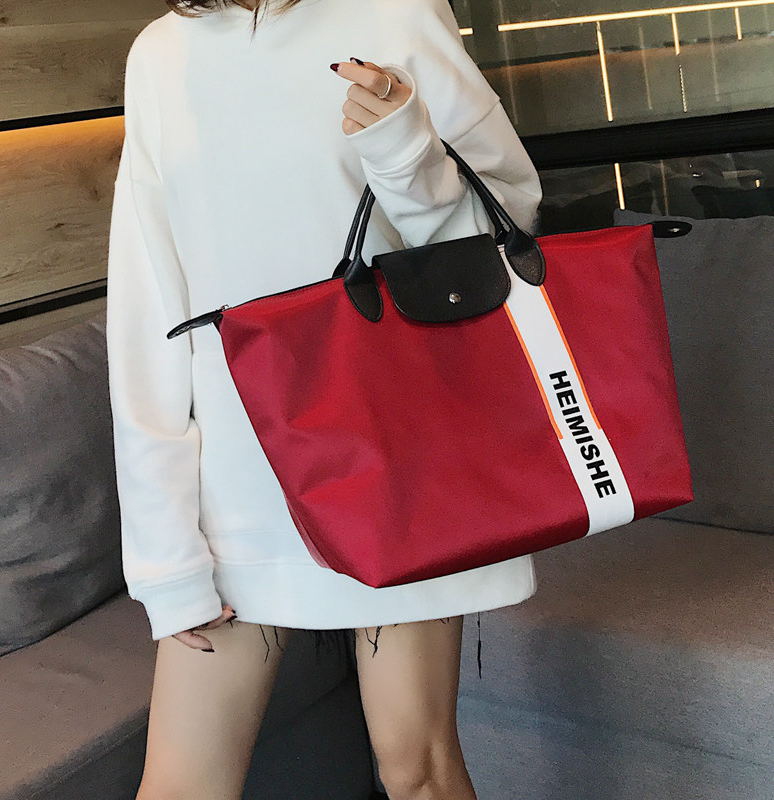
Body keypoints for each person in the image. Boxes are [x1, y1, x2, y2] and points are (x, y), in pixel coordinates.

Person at [105, 0, 542, 797]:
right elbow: (149, 314)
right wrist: (163, 551)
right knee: (177, 786)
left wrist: (406, 153)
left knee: (416, 770)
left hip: (395, 460)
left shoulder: (395, 12)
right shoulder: (161, 55)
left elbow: (504, 225)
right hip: (240, 482)